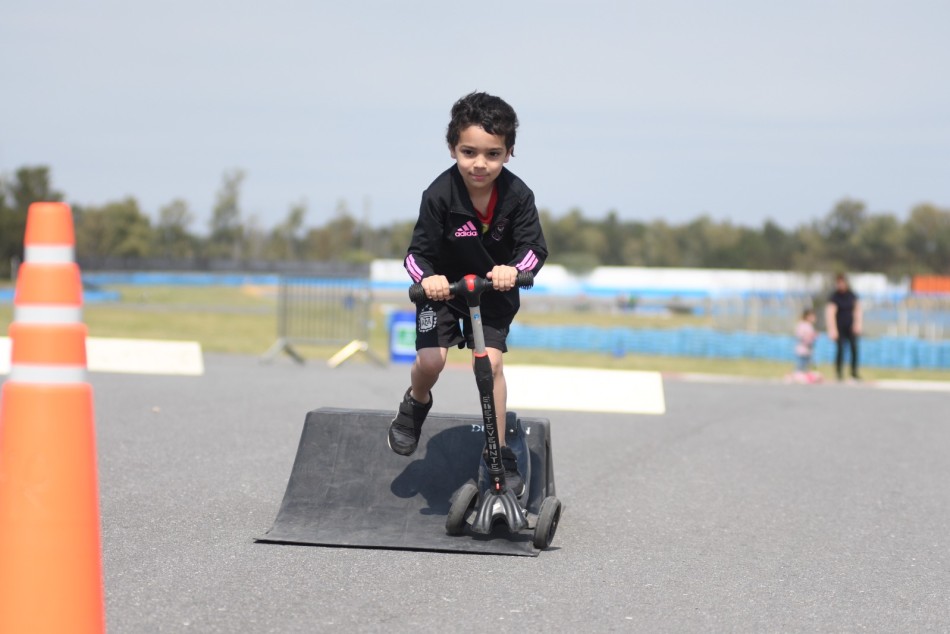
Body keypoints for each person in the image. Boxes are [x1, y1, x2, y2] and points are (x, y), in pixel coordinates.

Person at [388, 92, 547, 497]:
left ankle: (498, 455)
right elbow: (415, 255)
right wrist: (428, 280)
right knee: (431, 361)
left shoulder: (518, 196)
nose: (480, 164)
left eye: (493, 154)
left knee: (490, 366)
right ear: (453, 148)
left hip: (492, 291)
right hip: (444, 291)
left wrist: (516, 270)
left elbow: (534, 249)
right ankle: (415, 403)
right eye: (469, 152)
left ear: (509, 153)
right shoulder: (439, 194)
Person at [825, 273, 862, 381]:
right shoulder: (834, 296)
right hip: (839, 327)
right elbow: (830, 313)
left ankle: (854, 373)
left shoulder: (852, 295)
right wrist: (832, 329)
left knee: (854, 349)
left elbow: (857, 310)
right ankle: (839, 373)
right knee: (840, 350)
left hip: (851, 326)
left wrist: (858, 324)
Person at [791, 308, 820, 383]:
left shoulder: (810, 326)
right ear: (807, 316)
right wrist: (809, 337)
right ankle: (795, 377)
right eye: (812, 316)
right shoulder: (802, 325)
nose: (814, 318)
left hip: (808, 350)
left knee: (807, 366)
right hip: (802, 350)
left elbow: (811, 337)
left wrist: (814, 336)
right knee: (800, 365)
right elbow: (800, 336)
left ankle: (805, 378)